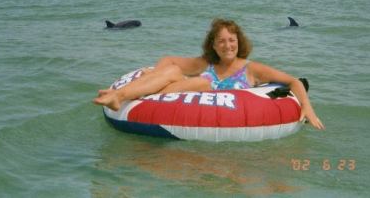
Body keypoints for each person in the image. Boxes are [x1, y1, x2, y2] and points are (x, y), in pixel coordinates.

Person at [93, 18, 325, 130]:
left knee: (200, 83)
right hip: (175, 96)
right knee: (174, 70)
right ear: (213, 45)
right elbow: (169, 60)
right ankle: (120, 95)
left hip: (223, 119)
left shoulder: (251, 69)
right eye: (221, 42)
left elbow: (293, 81)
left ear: (239, 42)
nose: (227, 46)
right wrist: (155, 70)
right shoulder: (206, 63)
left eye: (231, 40)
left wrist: (307, 107)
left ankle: (122, 95)